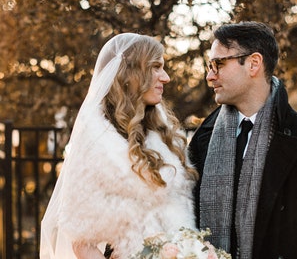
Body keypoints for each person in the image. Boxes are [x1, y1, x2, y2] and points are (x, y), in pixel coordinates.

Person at [189, 21, 297, 259]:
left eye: (218, 64)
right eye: (209, 65)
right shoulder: (202, 140)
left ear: (253, 64)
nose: (210, 76)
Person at [40, 33, 198, 259]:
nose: (166, 77)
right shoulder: (97, 142)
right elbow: (81, 242)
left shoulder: (165, 136)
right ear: (131, 73)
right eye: (156, 67)